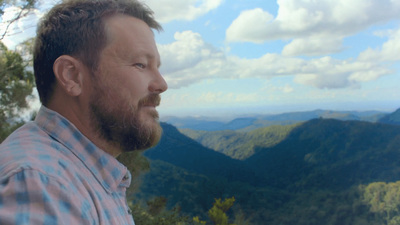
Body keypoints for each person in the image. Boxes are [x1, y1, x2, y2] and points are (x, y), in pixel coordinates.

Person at [0, 0, 168, 224]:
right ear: (71, 76)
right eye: (140, 64)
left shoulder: (81, 176)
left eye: (157, 67)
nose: (161, 84)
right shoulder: (40, 184)